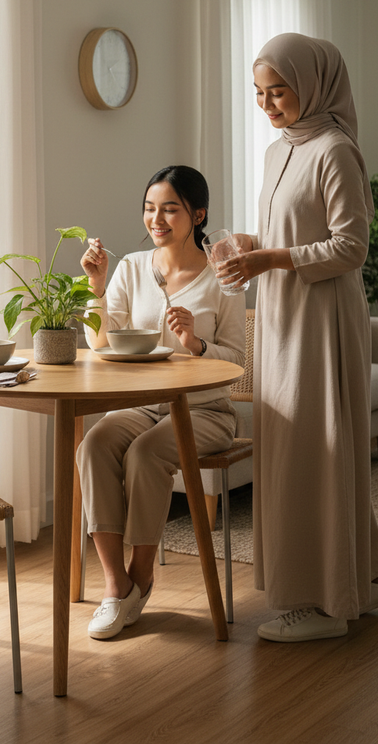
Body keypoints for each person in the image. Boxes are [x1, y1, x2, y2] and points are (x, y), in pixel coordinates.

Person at [216, 33, 378, 642]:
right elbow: (290, 230)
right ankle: (371, 574)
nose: (268, 104)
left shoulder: (335, 151)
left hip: (321, 319)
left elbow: (352, 248)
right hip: (280, 315)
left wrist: (271, 259)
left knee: (314, 451)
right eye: (259, 93)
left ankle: (323, 605)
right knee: (297, 448)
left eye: (279, 91)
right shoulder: (279, 153)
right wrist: (253, 245)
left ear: (314, 85)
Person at [77, 165, 246, 640]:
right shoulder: (130, 267)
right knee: (94, 444)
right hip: (143, 403)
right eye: (150, 208)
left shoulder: (223, 275)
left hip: (206, 411)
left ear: (198, 213)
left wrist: (194, 343)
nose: (157, 219)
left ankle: (143, 573)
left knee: (147, 453)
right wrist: (95, 287)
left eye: (170, 209)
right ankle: (116, 587)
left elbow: (237, 359)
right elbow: (99, 343)